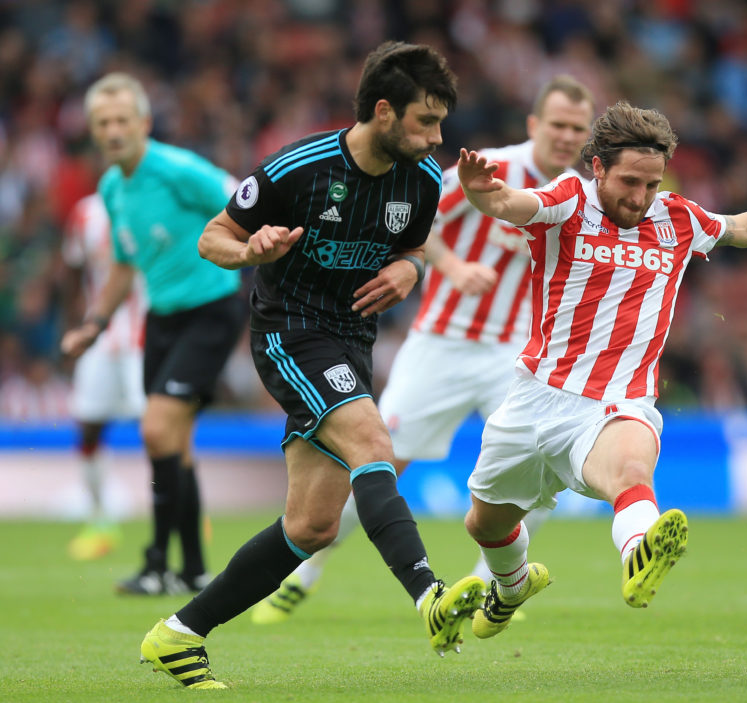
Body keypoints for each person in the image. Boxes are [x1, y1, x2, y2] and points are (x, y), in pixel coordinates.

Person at [138, 41, 481, 690]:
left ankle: (176, 635)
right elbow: (215, 235)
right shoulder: (297, 169)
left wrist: (409, 268)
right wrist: (250, 249)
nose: (437, 139)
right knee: (373, 442)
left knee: (313, 524)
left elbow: (412, 245)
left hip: (353, 341)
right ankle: (429, 595)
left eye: (441, 123)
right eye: (425, 122)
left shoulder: (424, 179)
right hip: (289, 334)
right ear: (384, 112)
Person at [456, 101, 747, 637]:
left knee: (631, 473)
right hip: (537, 395)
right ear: (597, 168)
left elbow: (743, 229)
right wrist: (482, 191)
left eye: (651, 184)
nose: (640, 198)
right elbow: (511, 201)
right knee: (486, 522)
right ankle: (513, 584)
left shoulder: (678, 218)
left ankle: (640, 553)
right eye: (629, 182)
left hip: (618, 402)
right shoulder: (569, 201)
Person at [250, 75, 596, 625]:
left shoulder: (582, 193)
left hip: (515, 351)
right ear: (534, 125)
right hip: (442, 343)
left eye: (578, 129)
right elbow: (416, 221)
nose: (566, 136)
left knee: (538, 466)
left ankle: (493, 590)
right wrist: (454, 268)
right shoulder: (488, 169)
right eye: (557, 124)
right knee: (377, 462)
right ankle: (304, 573)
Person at [61, 73, 245, 595]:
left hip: (211, 309)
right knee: (174, 444)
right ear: (94, 131)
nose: (113, 130)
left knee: (158, 431)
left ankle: (156, 565)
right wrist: (93, 326)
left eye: (122, 120)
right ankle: (191, 572)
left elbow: (241, 202)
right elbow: (124, 267)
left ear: (144, 123)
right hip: (161, 319)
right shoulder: (112, 188)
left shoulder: (177, 169)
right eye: (103, 123)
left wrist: (259, 258)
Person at [62, 193, 146, 561]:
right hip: (99, 336)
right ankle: (100, 521)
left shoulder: (154, 202)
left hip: (146, 335)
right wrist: (75, 327)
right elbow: (72, 272)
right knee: (88, 426)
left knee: (162, 429)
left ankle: (182, 515)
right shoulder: (85, 212)